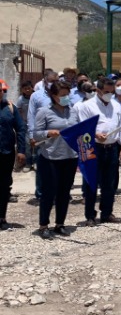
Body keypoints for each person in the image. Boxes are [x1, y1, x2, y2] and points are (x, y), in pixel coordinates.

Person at [78, 77, 121, 226]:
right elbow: (82, 127)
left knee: (110, 183)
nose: (109, 94)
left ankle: (106, 213)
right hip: (94, 148)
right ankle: (90, 215)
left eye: (112, 92)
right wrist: (95, 134)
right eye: (106, 91)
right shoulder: (87, 106)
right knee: (91, 182)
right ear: (98, 90)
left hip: (112, 148)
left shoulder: (116, 106)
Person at [33, 81, 78, 239]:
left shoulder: (73, 111)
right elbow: (36, 134)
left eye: (67, 95)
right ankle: (43, 225)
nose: (66, 98)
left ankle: (60, 224)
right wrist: (48, 133)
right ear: (53, 96)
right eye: (62, 95)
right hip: (50, 157)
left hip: (70, 156)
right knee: (49, 192)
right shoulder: (44, 112)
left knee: (64, 192)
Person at [28, 70, 59, 202]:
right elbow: (31, 116)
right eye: (52, 81)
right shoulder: (36, 96)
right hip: (42, 137)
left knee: (58, 166)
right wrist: (32, 135)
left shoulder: (61, 95)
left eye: (56, 81)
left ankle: (57, 193)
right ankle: (40, 194)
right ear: (45, 81)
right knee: (42, 166)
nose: (54, 83)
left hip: (58, 136)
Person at [0, 79, 26, 230]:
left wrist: (21, 150)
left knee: (4, 186)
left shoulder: (10, 108)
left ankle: (1, 218)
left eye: (2, 91)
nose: (1, 93)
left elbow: (21, 129)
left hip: (6, 153)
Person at [15, 80, 34, 173]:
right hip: (26, 124)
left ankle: (36, 162)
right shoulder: (20, 99)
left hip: (37, 124)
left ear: (32, 88)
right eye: (25, 88)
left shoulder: (35, 97)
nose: (27, 90)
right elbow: (18, 111)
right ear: (22, 90)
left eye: (29, 88)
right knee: (27, 144)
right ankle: (28, 163)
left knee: (38, 144)